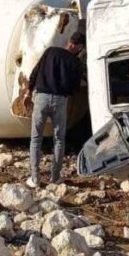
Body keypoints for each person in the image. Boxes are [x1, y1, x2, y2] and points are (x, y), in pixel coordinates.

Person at [26, 31, 86, 188]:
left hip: (41, 98)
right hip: (60, 100)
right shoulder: (76, 63)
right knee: (59, 140)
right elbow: (75, 88)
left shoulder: (50, 52)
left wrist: (28, 91)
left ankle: (35, 179)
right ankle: (55, 177)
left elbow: (35, 72)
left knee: (36, 139)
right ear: (79, 47)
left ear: (69, 41)